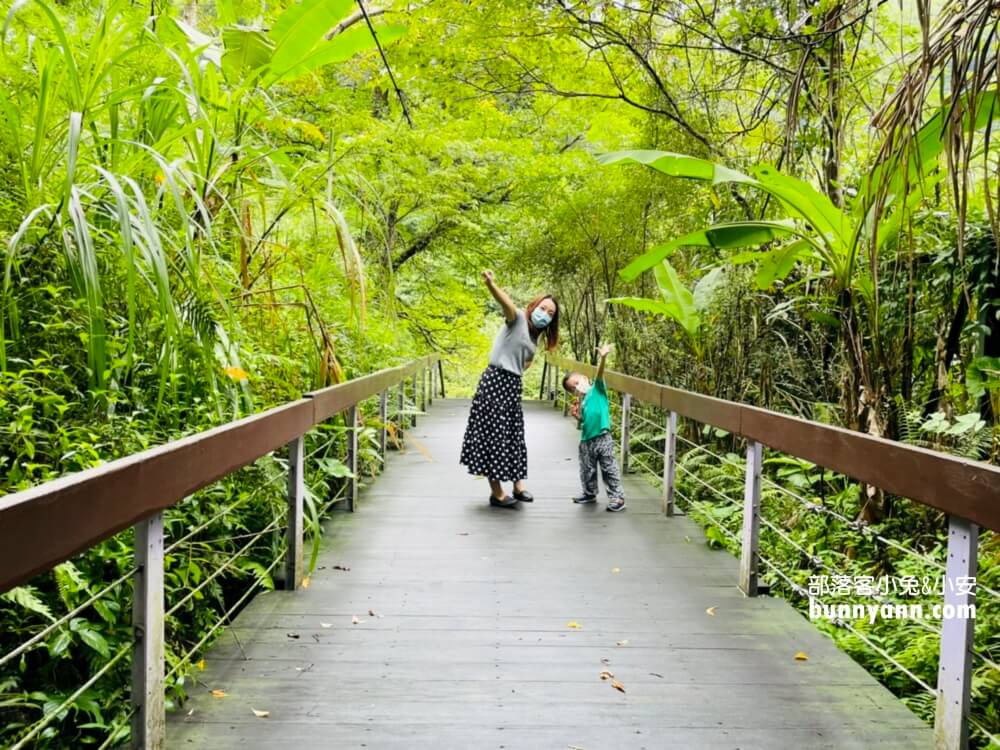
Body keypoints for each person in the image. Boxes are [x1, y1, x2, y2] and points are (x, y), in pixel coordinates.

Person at [460, 270, 559, 507]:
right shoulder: (517, 320)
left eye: (550, 313)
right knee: (493, 436)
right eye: (543, 308)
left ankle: (518, 486)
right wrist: (491, 284)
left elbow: (525, 363)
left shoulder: (535, 338)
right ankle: (497, 493)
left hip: (512, 386)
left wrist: (516, 369)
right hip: (495, 383)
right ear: (534, 306)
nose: (545, 314)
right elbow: (506, 303)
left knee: (514, 436)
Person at [562, 344, 626, 512]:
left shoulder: (597, 389)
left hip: (602, 436)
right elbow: (584, 421)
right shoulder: (582, 401)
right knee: (586, 468)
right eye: (572, 388)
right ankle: (589, 493)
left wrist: (603, 358)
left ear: (584, 377)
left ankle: (617, 497)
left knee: (609, 468)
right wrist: (578, 417)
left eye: (576, 382)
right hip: (586, 439)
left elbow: (599, 374)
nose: (576, 387)